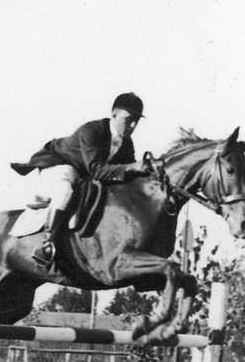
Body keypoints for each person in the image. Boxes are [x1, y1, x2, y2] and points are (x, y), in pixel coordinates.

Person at [15, 92, 156, 265]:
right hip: (60, 164)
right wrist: (132, 167)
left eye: (136, 121)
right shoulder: (92, 130)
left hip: (82, 175)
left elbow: (125, 174)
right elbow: (97, 170)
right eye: (129, 119)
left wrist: (148, 171)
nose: (132, 125)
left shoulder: (127, 143)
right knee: (65, 191)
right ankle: (47, 244)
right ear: (114, 114)